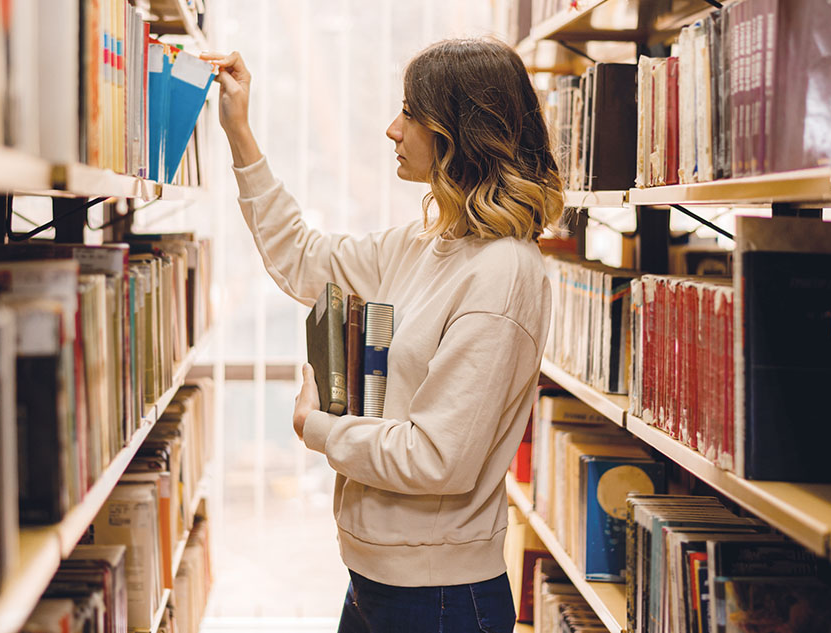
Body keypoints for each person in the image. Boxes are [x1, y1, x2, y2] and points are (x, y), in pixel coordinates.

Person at [201, 38, 564, 633]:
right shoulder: (422, 246)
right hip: (376, 578)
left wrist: (315, 428)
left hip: (439, 596)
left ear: (457, 130)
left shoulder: (502, 274)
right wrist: (239, 130)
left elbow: (437, 459)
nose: (393, 129)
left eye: (411, 113)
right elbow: (300, 257)